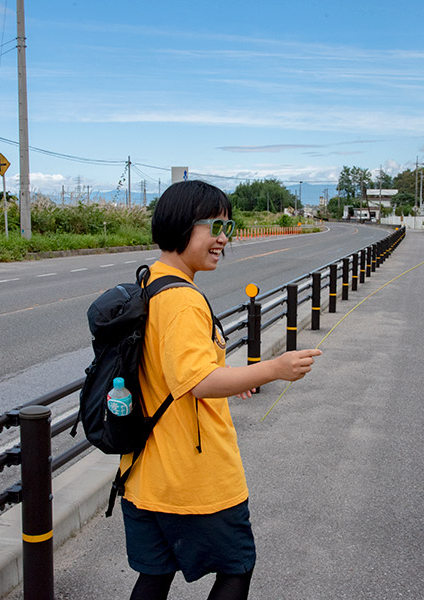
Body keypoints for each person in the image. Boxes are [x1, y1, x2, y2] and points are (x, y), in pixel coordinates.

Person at [122, 180, 322, 600]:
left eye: (227, 226)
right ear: (181, 225)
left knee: (155, 577)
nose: (223, 238)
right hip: (193, 476)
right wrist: (273, 369)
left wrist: (235, 380)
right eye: (214, 226)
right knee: (236, 568)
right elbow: (197, 381)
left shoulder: (151, 282)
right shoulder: (183, 300)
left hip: (145, 470)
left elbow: (174, 370)